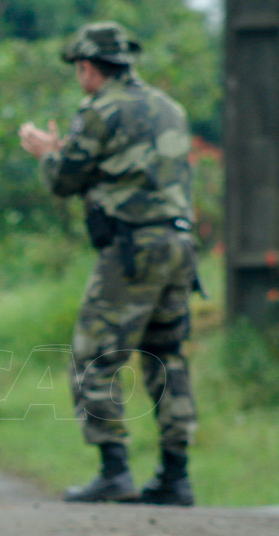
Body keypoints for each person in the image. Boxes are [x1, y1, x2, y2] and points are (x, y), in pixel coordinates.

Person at [18, 22, 198, 506]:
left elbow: (66, 179)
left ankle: (114, 469)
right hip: (180, 245)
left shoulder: (101, 109)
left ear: (88, 67)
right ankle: (176, 476)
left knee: (95, 353)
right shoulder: (170, 108)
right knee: (169, 355)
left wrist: (45, 153)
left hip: (132, 248)